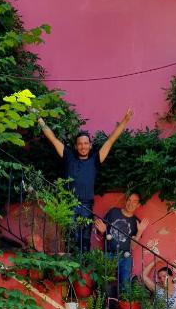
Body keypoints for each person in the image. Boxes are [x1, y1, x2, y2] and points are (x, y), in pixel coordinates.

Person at [36, 108, 134, 252]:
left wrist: (124, 121)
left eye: (86, 143)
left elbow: (111, 140)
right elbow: (52, 138)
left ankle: (82, 269)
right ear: (76, 146)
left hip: (87, 206)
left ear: (90, 145)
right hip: (69, 205)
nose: (83, 146)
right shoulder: (69, 156)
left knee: (85, 241)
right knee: (70, 239)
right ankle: (71, 268)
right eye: (80, 144)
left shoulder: (95, 159)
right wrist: (39, 119)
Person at [93, 192, 149, 290]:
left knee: (125, 287)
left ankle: (123, 305)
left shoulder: (136, 222)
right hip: (108, 254)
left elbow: (133, 246)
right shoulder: (113, 212)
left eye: (134, 202)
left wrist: (139, 232)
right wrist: (102, 232)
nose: (131, 203)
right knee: (102, 283)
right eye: (129, 200)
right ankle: (100, 303)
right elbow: (102, 231)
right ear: (126, 201)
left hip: (125, 258)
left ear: (138, 205)